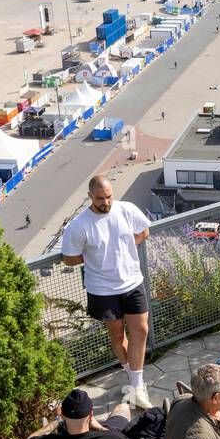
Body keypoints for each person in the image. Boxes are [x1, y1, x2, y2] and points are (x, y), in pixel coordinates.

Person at [61, 175, 152, 410]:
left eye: (109, 196)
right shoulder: (79, 225)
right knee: (116, 334)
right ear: (90, 196)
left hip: (132, 281)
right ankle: (132, 377)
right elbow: (69, 258)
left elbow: (144, 230)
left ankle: (138, 386)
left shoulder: (126, 210)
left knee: (141, 329)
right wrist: (91, 257)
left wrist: (130, 245)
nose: (106, 202)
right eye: (100, 198)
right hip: (102, 289)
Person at [24, 388, 163, 439]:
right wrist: (101, 428)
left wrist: (56, 420)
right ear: (90, 415)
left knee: (122, 409)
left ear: (63, 415)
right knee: (123, 408)